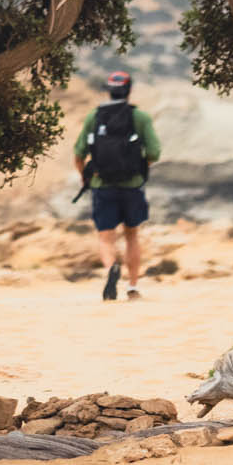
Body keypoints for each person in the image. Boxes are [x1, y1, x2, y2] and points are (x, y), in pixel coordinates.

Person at [73, 70, 160, 301]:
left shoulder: (94, 117)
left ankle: (112, 267)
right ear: (129, 90)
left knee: (105, 237)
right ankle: (132, 288)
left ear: (109, 91)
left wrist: (85, 177)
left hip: (103, 186)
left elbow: (79, 154)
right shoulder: (140, 117)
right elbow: (154, 152)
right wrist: (139, 167)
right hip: (132, 186)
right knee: (132, 236)